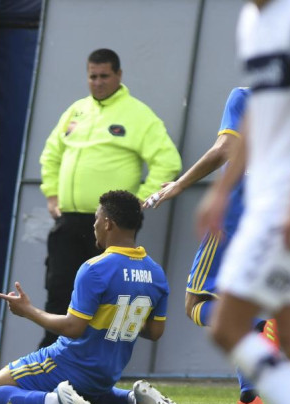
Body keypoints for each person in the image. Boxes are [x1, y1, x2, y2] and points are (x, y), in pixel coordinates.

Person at [196, 1, 290, 404]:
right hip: (272, 195)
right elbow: (257, 115)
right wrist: (222, 190)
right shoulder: (251, 21)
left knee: (225, 323)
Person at [0, 190, 180, 404]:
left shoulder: (95, 268)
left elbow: (73, 328)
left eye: (96, 218)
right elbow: (155, 332)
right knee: (87, 392)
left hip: (67, 363)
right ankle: (133, 399)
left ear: (108, 224)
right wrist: (120, 316)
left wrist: (27, 310)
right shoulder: (156, 272)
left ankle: (57, 401)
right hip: (106, 374)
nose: (94, 225)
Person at [144, 87, 277, 404]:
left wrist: (180, 184)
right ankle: (250, 402)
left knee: (196, 304)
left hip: (234, 218)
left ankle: (262, 324)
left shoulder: (245, 96)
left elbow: (225, 148)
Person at [38, 48, 182, 348]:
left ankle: (97, 355)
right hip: (71, 218)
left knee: (108, 293)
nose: (98, 82)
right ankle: (52, 352)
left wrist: (139, 202)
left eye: (105, 76)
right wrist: (52, 194)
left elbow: (167, 162)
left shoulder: (138, 114)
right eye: (93, 76)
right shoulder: (75, 110)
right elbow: (51, 155)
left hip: (111, 224)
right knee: (59, 286)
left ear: (119, 75)